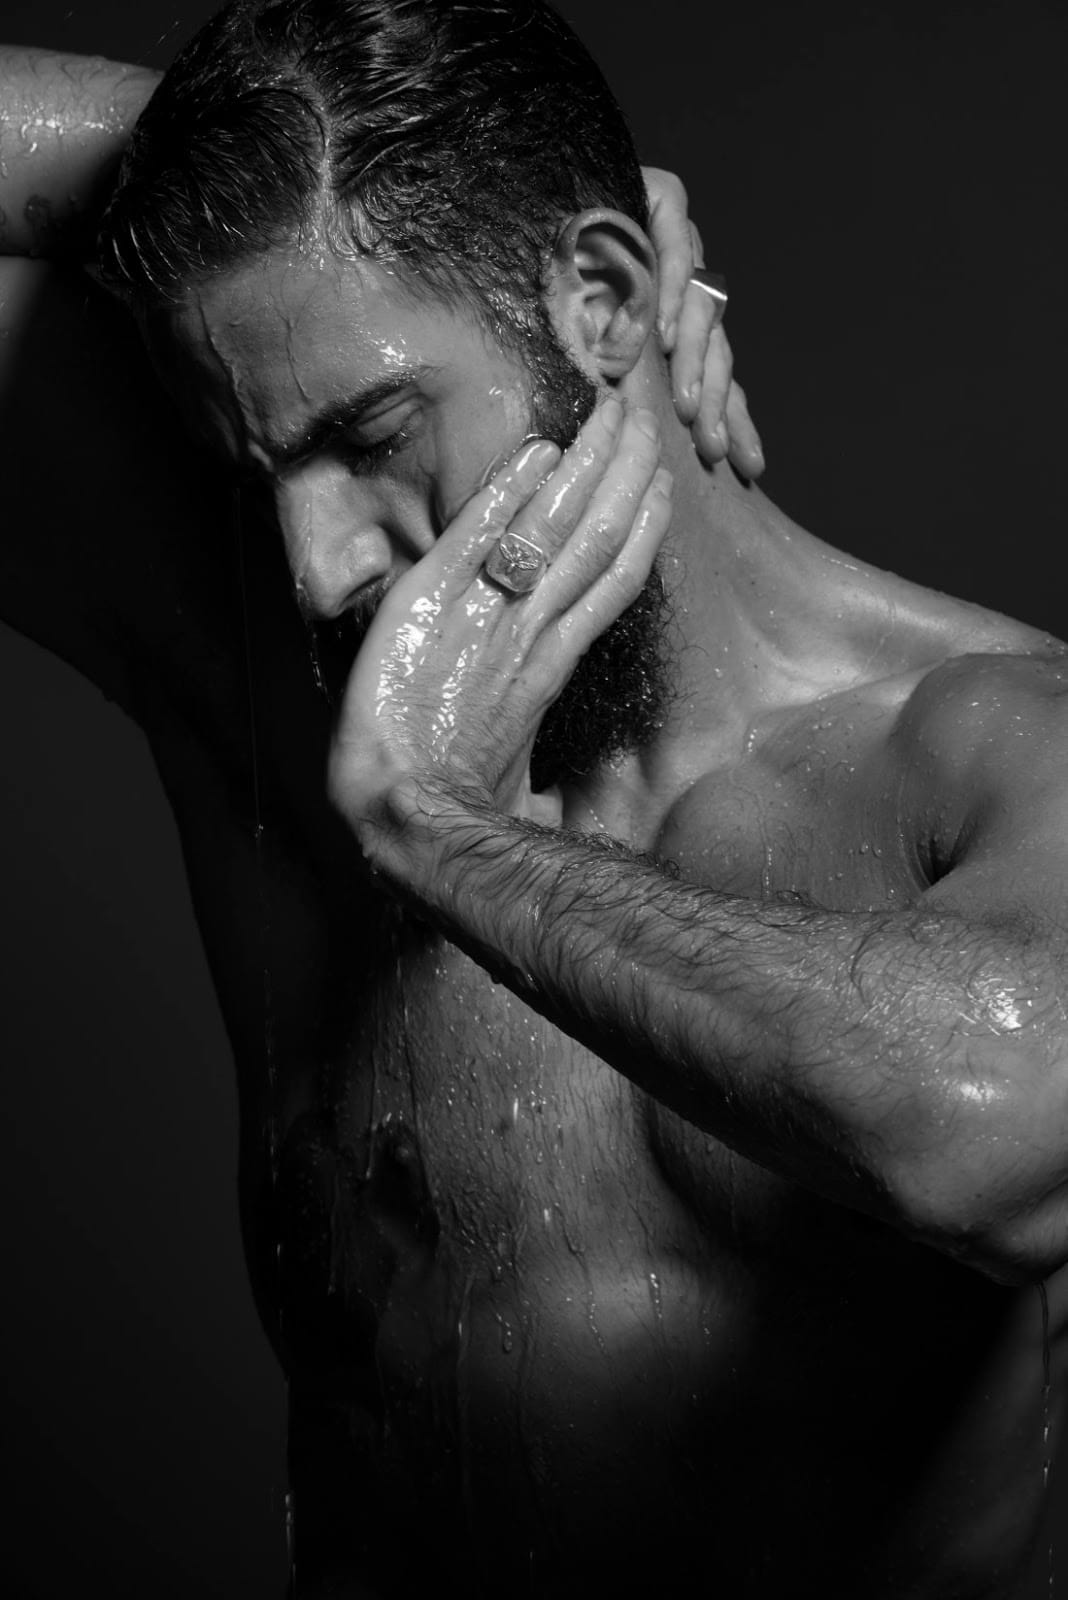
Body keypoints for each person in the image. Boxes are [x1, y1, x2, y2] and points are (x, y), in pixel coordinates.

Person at [2, 3, 1065, 1597]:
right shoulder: (258, 666)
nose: (317, 567)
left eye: (372, 433)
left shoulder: (988, 740)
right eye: (259, 476)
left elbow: (997, 1135)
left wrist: (442, 833)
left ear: (603, 299)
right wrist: (280, 164)